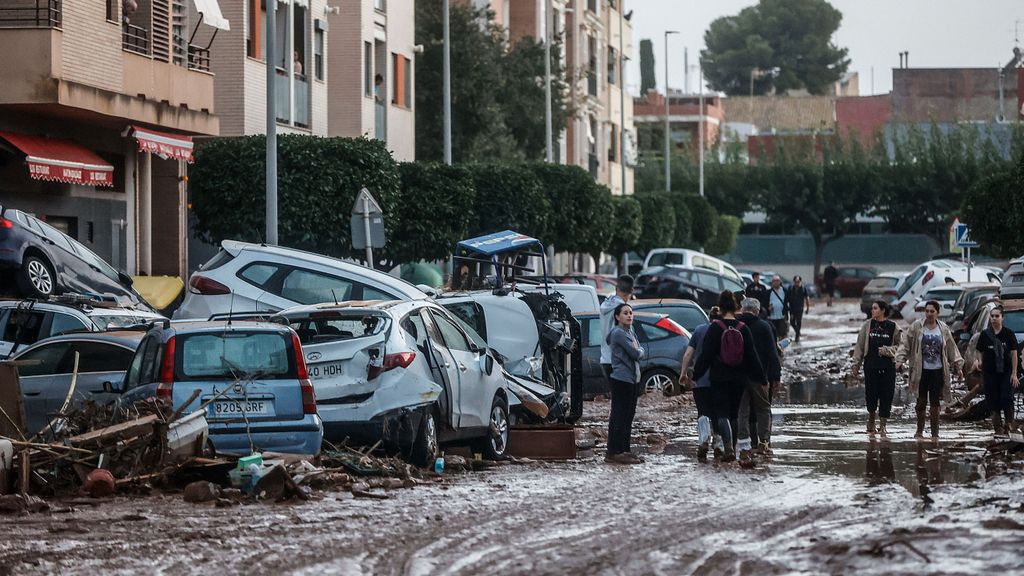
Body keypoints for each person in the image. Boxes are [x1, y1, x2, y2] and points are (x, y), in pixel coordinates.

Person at [693, 291, 766, 462]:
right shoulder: (743, 328)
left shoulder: (715, 328)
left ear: (720, 307)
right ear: (737, 307)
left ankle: (728, 449)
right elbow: (752, 356)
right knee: (734, 413)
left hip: (719, 377)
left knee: (721, 413)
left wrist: (696, 374)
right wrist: (761, 378)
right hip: (739, 378)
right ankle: (732, 448)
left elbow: (706, 355)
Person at [896, 300, 964, 440]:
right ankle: (919, 430)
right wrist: (900, 359)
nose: (929, 314)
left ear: (937, 313)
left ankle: (934, 433)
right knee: (921, 402)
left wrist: (958, 366)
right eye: (926, 311)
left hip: (938, 371)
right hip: (921, 371)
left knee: (935, 403)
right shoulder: (917, 326)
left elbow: (951, 348)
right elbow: (906, 344)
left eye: (932, 311)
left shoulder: (943, 328)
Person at [735, 298, 781, 466]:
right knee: (763, 408)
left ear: (742, 309)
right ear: (757, 310)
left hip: (738, 376)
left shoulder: (735, 325)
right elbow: (772, 352)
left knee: (742, 410)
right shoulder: (764, 326)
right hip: (760, 376)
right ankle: (764, 442)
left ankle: (744, 443)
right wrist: (776, 376)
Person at [852, 300, 902, 437]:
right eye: (872, 308)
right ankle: (871, 419)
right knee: (871, 395)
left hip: (888, 368)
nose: (872, 311)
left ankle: (883, 425)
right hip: (871, 366)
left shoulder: (894, 327)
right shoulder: (867, 326)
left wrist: (888, 351)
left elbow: (901, 347)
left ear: (883, 310)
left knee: (886, 396)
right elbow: (860, 346)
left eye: (875, 308)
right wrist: (855, 364)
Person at [679, 306, 721, 462]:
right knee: (718, 412)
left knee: (703, 411)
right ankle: (719, 444)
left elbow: (688, 353)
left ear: (708, 317)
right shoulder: (724, 330)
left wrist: (683, 374)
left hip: (700, 379)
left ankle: (703, 439)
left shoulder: (699, 330)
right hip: (720, 380)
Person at [605, 303, 645, 464]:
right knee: (619, 415)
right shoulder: (618, 333)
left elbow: (639, 349)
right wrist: (639, 351)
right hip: (621, 379)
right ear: (617, 317)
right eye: (625, 313)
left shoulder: (630, 332)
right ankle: (614, 451)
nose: (629, 315)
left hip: (632, 378)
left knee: (628, 416)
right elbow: (636, 353)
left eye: (630, 313)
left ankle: (625, 449)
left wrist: (639, 350)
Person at [974, 305, 1020, 436]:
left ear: (1002, 318)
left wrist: (1014, 373)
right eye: (992, 316)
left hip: (1006, 372)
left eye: (997, 316)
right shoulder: (985, 334)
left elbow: (1014, 354)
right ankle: (998, 429)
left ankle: (1009, 424)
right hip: (989, 373)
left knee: (1007, 397)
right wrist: (978, 361)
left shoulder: (1009, 334)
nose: (994, 319)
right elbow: (979, 351)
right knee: (992, 400)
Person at [599, 275, 634, 381]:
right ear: (632, 290)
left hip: (605, 359)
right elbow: (627, 337)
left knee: (615, 395)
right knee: (623, 396)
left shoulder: (605, 304)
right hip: (619, 361)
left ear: (616, 289)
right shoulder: (624, 310)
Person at [787, 275, 811, 342]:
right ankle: (797, 331)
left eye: (798, 281)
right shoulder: (791, 288)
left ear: (800, 281)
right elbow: (787, 298)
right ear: (794, 282)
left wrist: (808, 308)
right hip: (792, 308)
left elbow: (807, 298)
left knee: (799, 322)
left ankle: (797, 336)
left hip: (800, 308)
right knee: (792, 322)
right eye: (796, 282)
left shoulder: (803, 288)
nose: (797, 283)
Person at [767, 275, 789, 340]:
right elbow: (764, 303)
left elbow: (788, 302)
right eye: (774, 281)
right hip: (772, 317)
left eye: (777, 281)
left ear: (780, 282)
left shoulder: (785, 291)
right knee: (773, 334)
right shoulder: (768, 292)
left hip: (782, 316)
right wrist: (768, 308)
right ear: (772, 282)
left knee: (783, 334)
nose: (776, 282)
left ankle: (782, 348)